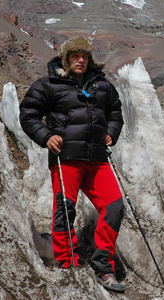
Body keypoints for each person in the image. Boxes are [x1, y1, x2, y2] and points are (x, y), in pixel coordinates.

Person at [19, 36, 125, 293]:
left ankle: (102, 265)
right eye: (76, 56)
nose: (81, 60)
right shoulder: (48, 85)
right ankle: (68, 265)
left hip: (97, 159)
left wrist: (112, 130)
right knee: (65, 211)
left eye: (85, 56)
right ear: (66, 59)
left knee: (114, 207)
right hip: (66, 158)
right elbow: (28, 113)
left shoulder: (102, 85)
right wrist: (46, 136)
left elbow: (115, 111)